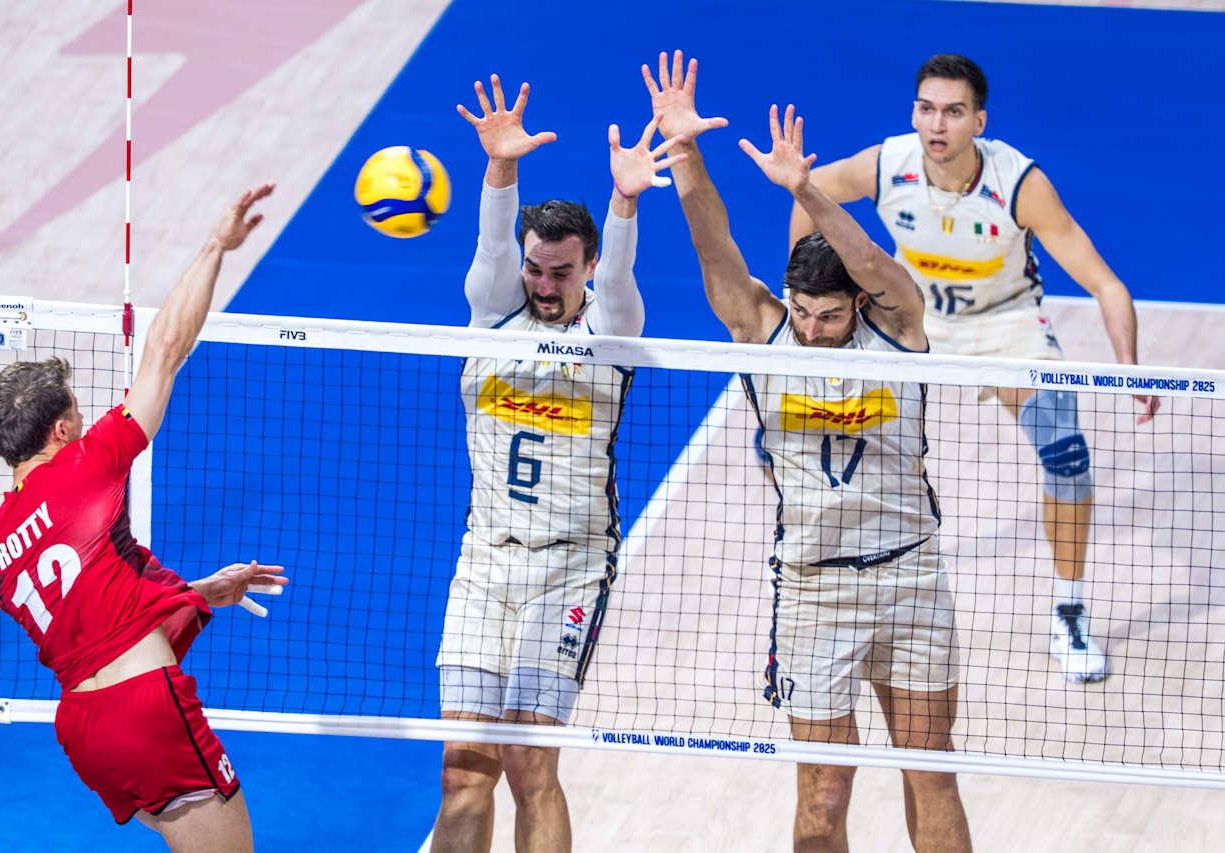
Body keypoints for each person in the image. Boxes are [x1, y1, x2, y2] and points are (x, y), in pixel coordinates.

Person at [646, 50, 972, 852]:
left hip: (911, 577)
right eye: (802, 311)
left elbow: (873, 264)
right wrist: (685, 153)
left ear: (857, 305)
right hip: (815, 590)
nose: (811, 327)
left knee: (930, 767)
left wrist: (804, 190)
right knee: (823, 792)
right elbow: (716, 250)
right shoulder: (769, 335)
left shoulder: (899, 326)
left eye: (826, 315)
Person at [786, 54, 1159, 683]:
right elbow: (813, 197)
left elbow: (1107, 285)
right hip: (912, 317)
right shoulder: (887, 163)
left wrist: (1129, 367)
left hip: (1004, 326)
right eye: (926, 109)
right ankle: (830, 572)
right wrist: (805, 282)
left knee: (1067, 456)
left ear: (978, 120)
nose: (937, 125)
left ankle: (1068, 610)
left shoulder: (1020, 184)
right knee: (823, 426)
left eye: (954, 112)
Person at [0, 185, 288, 853]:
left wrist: (200, 593)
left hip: (83, 730)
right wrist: (215, 246)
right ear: (62, 429)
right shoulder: (87, 464)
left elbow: (98, 617)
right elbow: (166, 349)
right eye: (79, 416)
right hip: (145, 709)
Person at [430, 75, 684, 853]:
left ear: (587, 267)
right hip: (485, 565)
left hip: (570, 569)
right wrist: (500, 170)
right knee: (464, 768)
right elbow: (492, 246)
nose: (544, 285)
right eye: (537, 270)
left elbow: (616, 279)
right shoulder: (492, 309)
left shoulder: (613, 325)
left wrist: (626, 202)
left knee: (529, 762)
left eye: (561, 273)